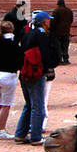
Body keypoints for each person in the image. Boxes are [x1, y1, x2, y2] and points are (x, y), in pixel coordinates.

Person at [14, 9, 52, 145]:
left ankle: (20, 134)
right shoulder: (41, 36)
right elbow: (45, 55)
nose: (50, 22)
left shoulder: (27, 34)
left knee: (29, 104)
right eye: (48, 20)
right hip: (36, 73)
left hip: (24, 72)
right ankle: (36, 136)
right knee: (38, 106)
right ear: (44, 22)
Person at [0, 22, 23, 139]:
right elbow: (20, 62)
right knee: (5, 105)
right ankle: (2, 131)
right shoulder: (14, 45)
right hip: (8, 75)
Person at [50, 0, 73, 65]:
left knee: (58, 46)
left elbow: (53, 22)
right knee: (65, 46)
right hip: (66, 31)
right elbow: (71, 20)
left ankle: (59, 60)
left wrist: (51, 29)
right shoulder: (69, 10)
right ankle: (66, 59)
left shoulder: (56, 11)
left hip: (57, 32)